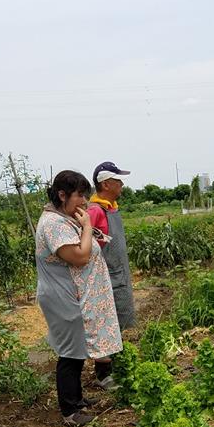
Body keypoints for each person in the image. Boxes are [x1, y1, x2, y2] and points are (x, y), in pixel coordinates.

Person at [35, 170, 123, 427]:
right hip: (64, 297)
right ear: (62, 195)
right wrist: (86, 226)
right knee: (70, 354)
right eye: (79, 195)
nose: (84, 201)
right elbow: (80, 256)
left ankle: (78, 400)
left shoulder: (63, 217)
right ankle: (70, 411)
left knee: (77, 349)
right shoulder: (53, 225)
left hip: (71, 294)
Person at [87, 161, 136, 390]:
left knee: (116, 323)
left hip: (118, 274)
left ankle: (116, 366)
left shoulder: (111, 207)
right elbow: (86, 246)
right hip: (105, 277)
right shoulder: (95, 211)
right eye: (117, 181)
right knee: (105, 323)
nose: (121, 185)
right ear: (106, 184)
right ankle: (103, 374)